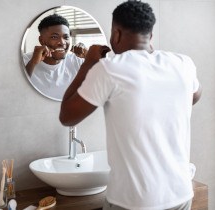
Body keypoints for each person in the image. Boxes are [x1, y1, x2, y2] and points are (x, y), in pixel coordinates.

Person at [59, 0, 202, 210]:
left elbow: (67, 116)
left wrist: (88, 64)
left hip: (133, 201)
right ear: (150, 35)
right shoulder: (183, 63)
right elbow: (195, 96)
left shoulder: (109, 69)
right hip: (180, 194)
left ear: (116, 33)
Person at [23, 14, 87, 100]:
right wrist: (33, 63)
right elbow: (14, 91)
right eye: (54, 37)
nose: (62, 42)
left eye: (66, 37)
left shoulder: (76, 61)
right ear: (41, 40)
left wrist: (89, 56)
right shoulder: (24, 61)